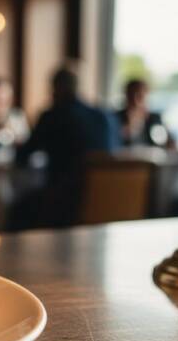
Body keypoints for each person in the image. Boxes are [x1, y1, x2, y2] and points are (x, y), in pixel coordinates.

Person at [13, 66, 119, 227]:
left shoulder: (52, 116)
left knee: (16, 209)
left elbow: (22, 158)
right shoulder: (104, 116)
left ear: (57, 88)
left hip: (64, 202)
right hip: (108, 199)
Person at [117, 79, 172, 148]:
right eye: (131, 95)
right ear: (126, 95)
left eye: (139, 96)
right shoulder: (116, 118)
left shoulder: (154, 118)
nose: (135, 100)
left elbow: (167, 142)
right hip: (125, 158)